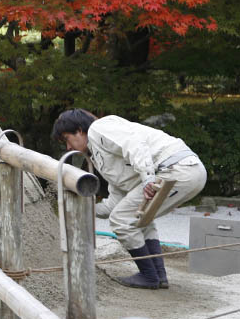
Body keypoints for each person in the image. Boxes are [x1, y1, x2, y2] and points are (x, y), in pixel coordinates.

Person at [52, 109, 206, 289]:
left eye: (66, 139)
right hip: (185, 171)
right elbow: (114, 202)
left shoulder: (99, 129)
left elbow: (134, 144)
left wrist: (148, 177)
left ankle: (149, 276)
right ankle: (159, 276)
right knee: (139, 220)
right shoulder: (102, 156)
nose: (68, 148)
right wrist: (85, 206)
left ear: (79, 130)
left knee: (122, 220)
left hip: (173, 168)